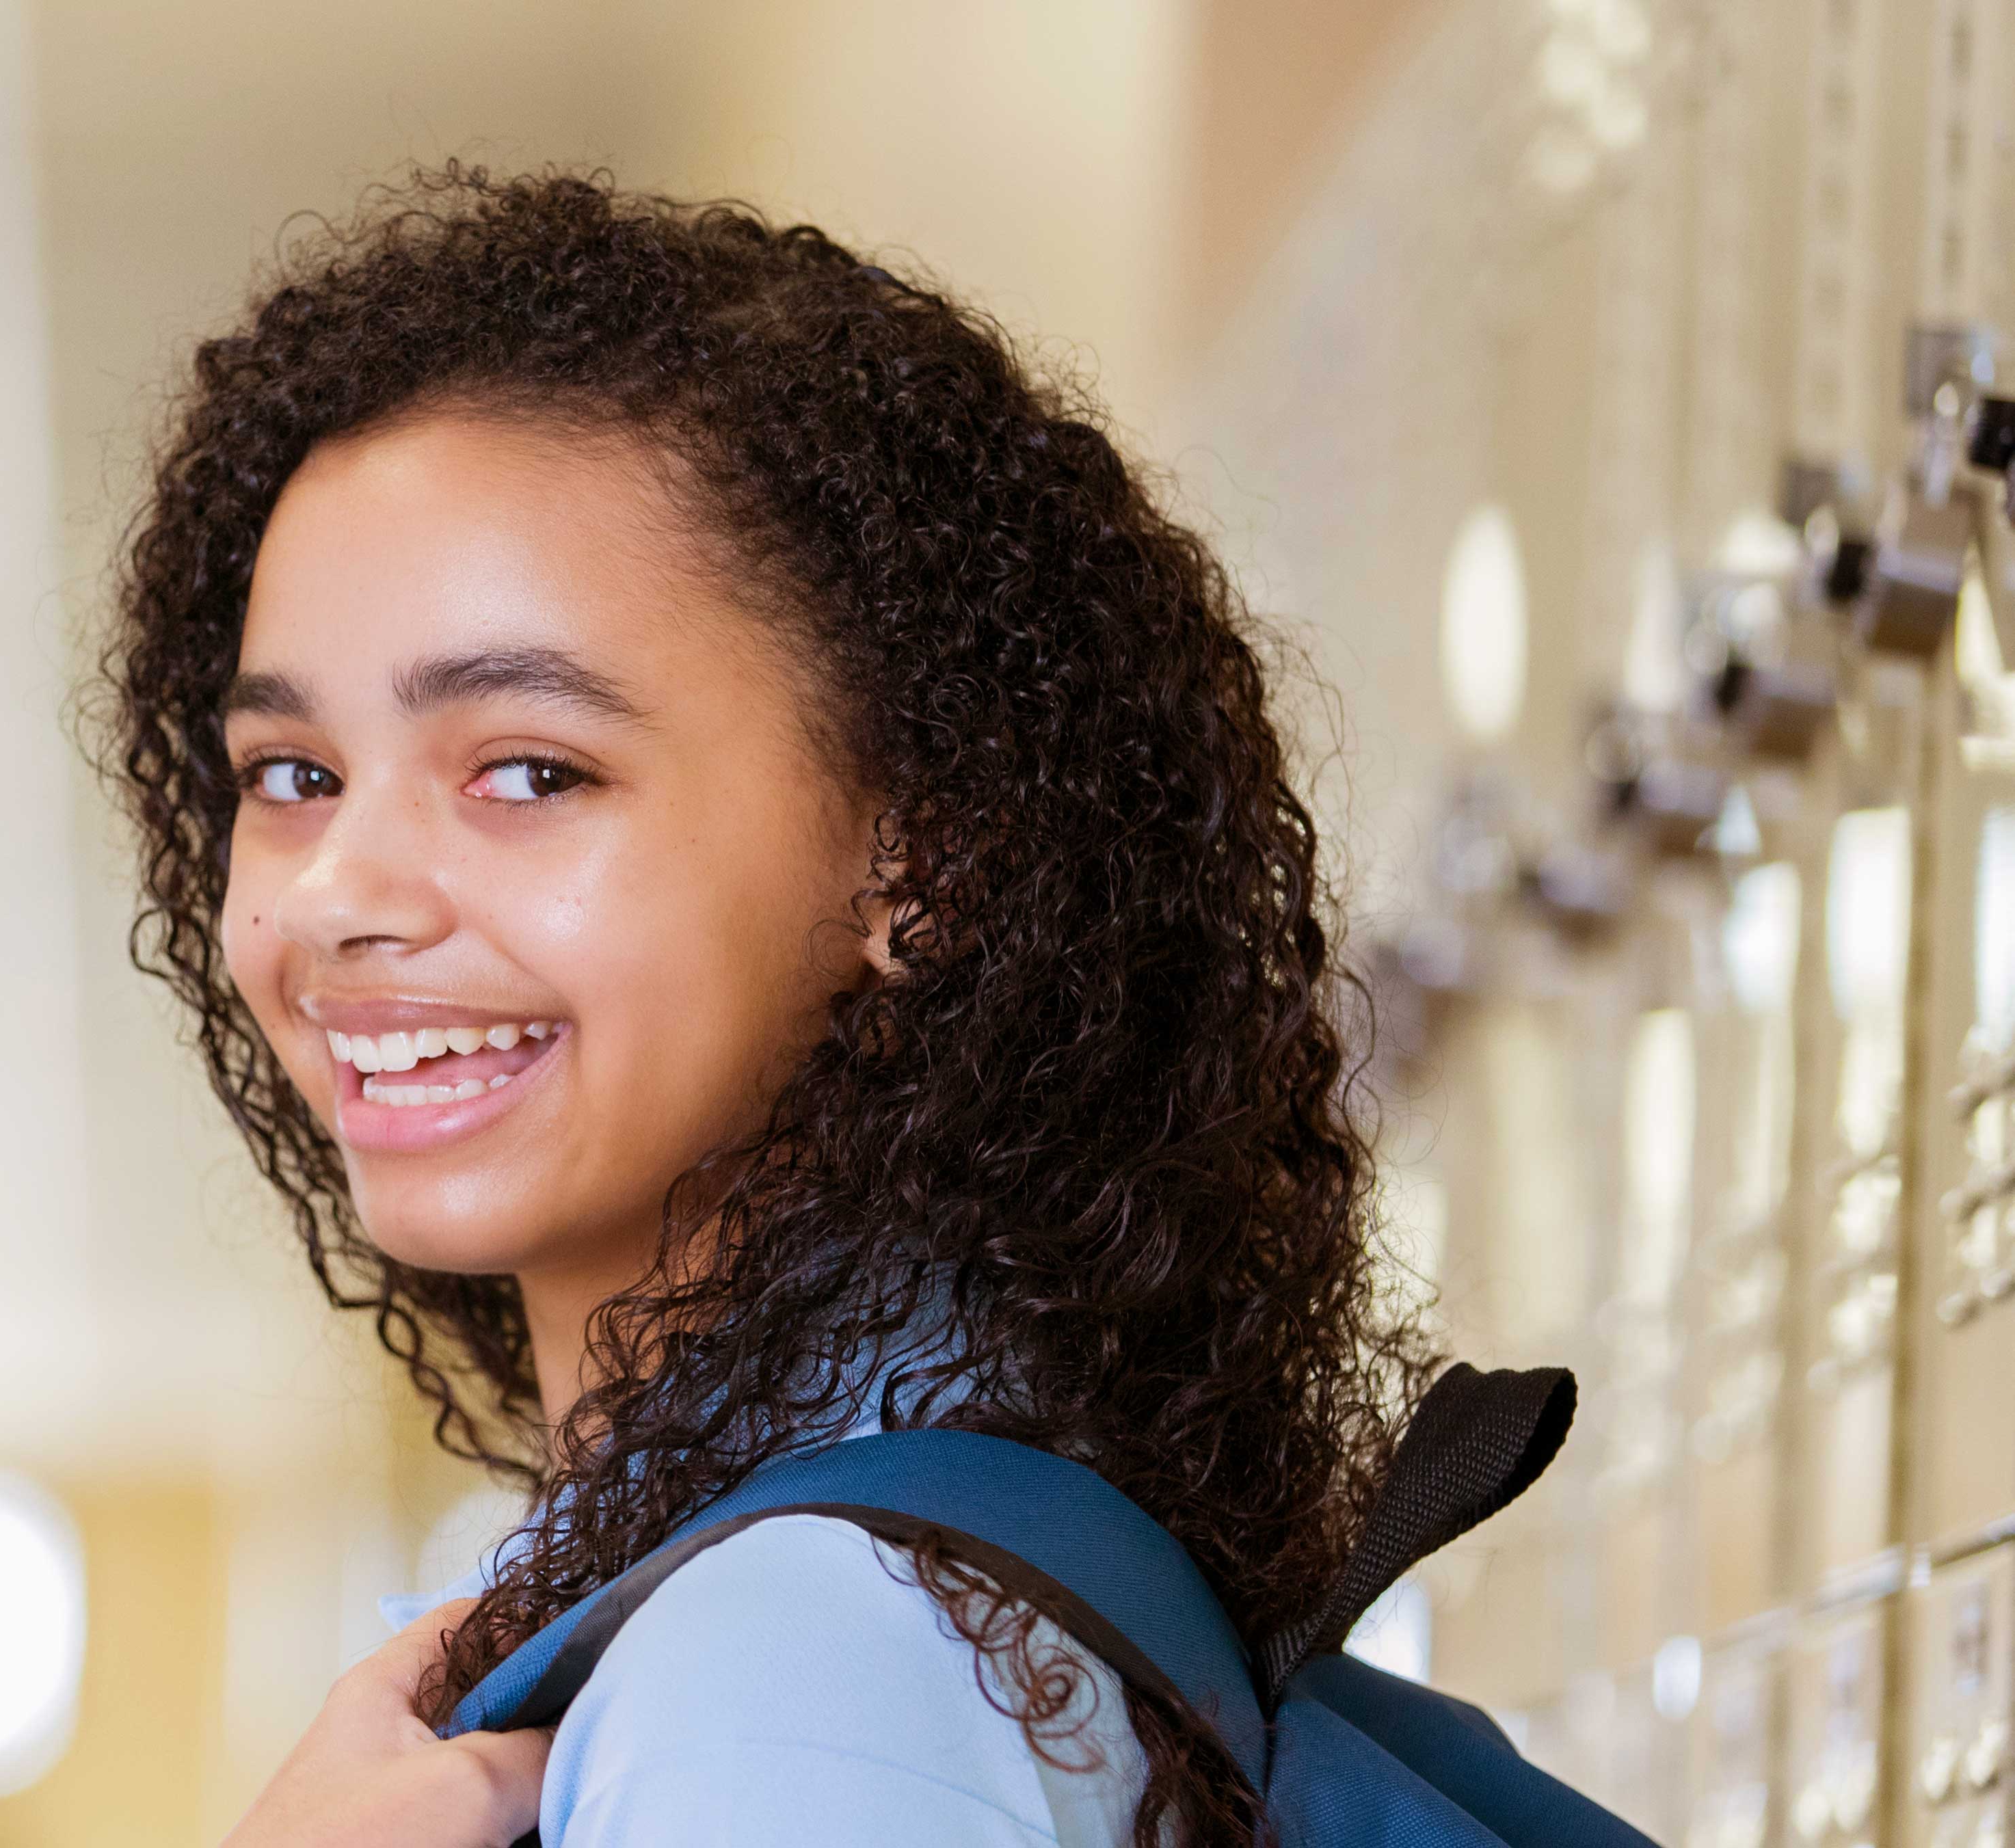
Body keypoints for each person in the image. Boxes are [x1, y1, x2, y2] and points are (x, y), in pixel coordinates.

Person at [103, 168, 1426, 1848]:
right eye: (290, 773)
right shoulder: (907, 1580)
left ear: (924, 860)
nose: (338, 893)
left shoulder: (795, 1664)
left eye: (526, 769)